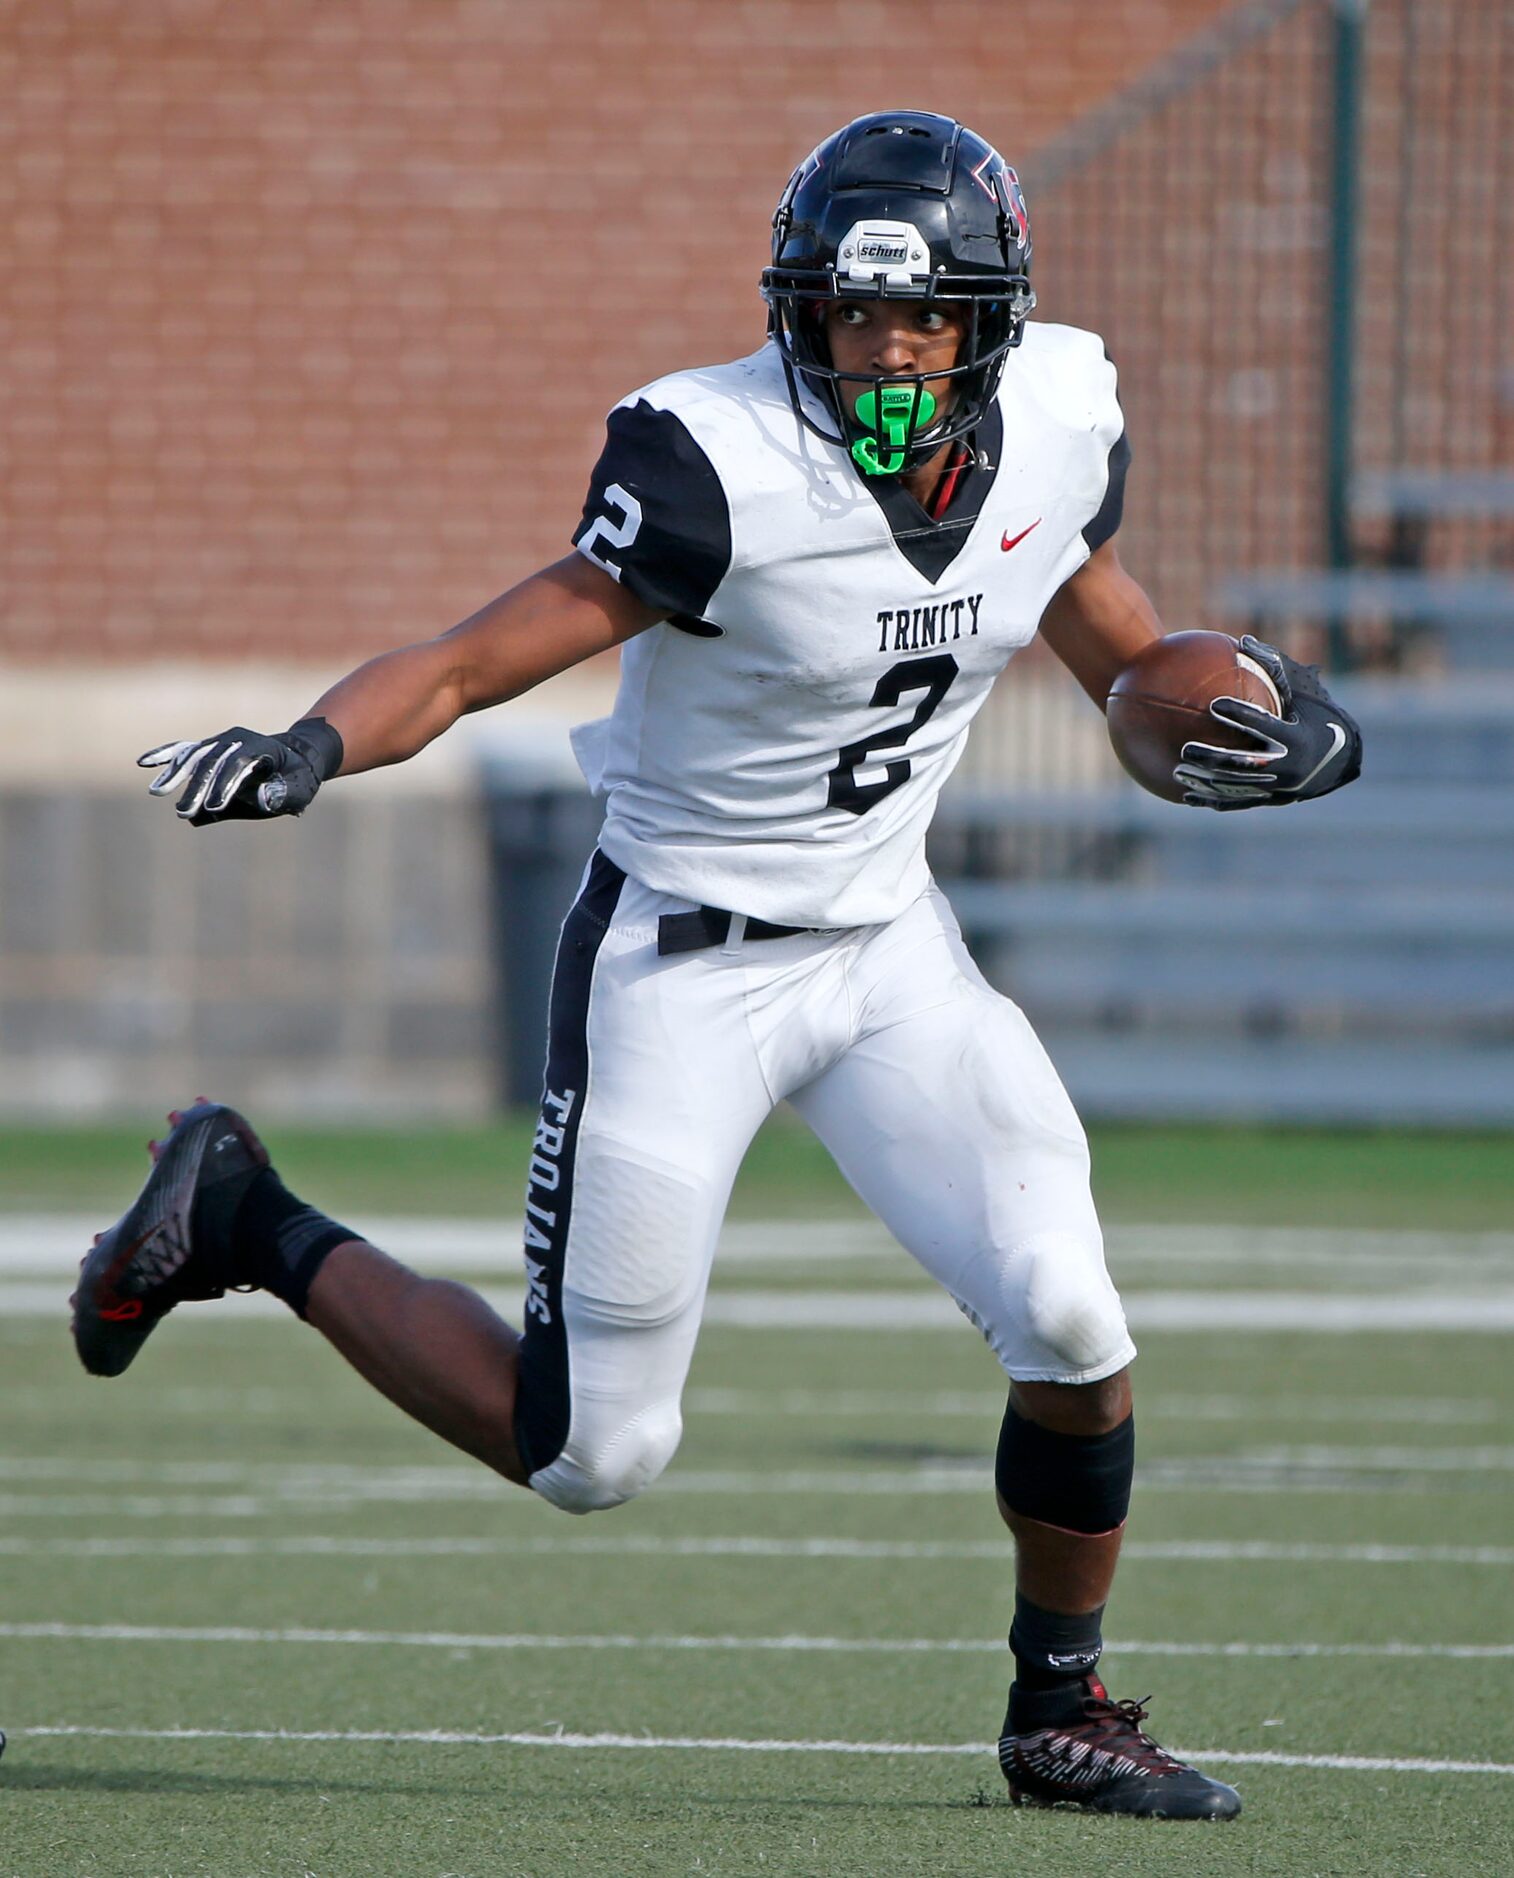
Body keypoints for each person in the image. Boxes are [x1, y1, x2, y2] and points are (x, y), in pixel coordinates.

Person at [76, 111, 1361, 1819]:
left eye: (917, 319)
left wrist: (1247, 712)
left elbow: (1098, 619)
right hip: (681, 963)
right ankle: (249, 1216)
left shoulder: (1057, 415)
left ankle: (1062, 1707)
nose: (883, 350)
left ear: (989, 317)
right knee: (590, 1453)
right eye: (847, 316)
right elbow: (473, 658)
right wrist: (314, 740)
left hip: (888, 951)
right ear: (795, 312)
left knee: (1068, 1311)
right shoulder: (712, 459)